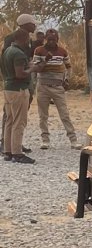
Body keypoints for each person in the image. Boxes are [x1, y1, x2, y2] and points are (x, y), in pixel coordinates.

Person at [32, 28, 79, 149]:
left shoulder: (62, 51)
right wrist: (45, 60)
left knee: (64, 114)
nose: (51, 42)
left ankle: (73, 140)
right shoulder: (39, 50)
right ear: (45, 39)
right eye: (49, 39)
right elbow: (36, 68)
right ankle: (45, 140)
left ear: (57, 39)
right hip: (43, 86)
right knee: (43, 115)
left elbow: (69, 67)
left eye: (54, 39)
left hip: (58, 87)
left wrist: (67, 79)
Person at [2, 19, 37, 163]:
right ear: (24, 38)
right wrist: (32, 68)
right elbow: (20, 74)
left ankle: (8, 151)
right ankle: (17, 153)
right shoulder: (19, 54)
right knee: (19, 121)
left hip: (8, 89)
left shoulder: (7, 51)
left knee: (9, 120)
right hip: (19, 90)